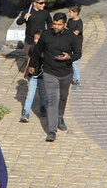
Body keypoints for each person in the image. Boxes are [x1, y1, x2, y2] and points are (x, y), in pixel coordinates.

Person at [26, 12, 82, 142]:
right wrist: (32, 65)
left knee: (62, 97)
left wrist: (69, 57)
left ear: (65, 24)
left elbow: (78, 53)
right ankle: (52, 130)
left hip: (66, 73)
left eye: (59, 24)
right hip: (49, 72)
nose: (56, 26)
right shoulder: (46, 35)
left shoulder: (71, 37)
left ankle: (60, 117)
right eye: (54, 24)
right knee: (52, 99)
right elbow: (37, 50)